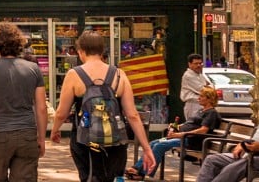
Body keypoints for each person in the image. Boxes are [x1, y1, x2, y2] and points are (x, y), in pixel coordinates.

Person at [50, 31, 156, 182]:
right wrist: (146, 148)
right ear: (101, 51)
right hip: (116, 140)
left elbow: (62, 113)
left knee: (90, 177)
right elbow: (132, 115)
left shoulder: (74, 74)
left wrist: (55, 130)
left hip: (85, 141)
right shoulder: (119, 74)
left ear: (81, 51)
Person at [0, 22, 46, 182]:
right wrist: (41, 138)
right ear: (19, 43)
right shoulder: (34, 69)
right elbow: (41, 108)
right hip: (27, 134)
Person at [126, 86, 221, 180]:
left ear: (209, 99)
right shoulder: (201, 111)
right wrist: (177, 126)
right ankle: (137, 169)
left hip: (191, 141)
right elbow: (189, 124)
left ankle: (143, 173)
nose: (198, 98)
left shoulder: (211, 113)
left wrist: (181, 135)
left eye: (202, 96)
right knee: (153, 143)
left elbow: (203, 130)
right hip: (182, 137)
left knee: (160, 145)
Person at [180, 54, 208, 122]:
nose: (198, 65)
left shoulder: (199, 75)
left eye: (200, 63)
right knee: (193, 125)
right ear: (189, 64)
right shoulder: (188, 75)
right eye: (196, 63)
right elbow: (203, 90)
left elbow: (210, 86)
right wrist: (208, 87)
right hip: (193, 104)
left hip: (201, 103)